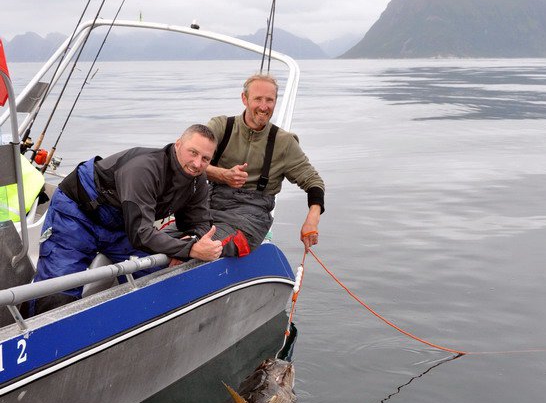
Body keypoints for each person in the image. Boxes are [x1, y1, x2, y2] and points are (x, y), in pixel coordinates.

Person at [30, 124, 222, 314]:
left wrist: (192, 240)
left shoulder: (197, 182)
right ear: (178, 145)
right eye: (193, 152)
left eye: (205, 158)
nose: (197, 164)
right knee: (57, 292)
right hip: (78, 215)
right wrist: (189, 250)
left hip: (121, 224)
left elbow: (199, 223)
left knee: (162, 275)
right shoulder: (144, 168)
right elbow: (141, 233)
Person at [206, 73, 325, 257]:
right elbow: (188, 162)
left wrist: (312, 219)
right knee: (169, 239)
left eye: (269, 100)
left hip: (250, 219)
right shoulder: (221, 127)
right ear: (244, 99)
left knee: (202, 246)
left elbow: (314, 182)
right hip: (209, 205)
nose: (264, 106)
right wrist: (222, 175)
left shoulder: (284, 142)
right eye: (258, 99)